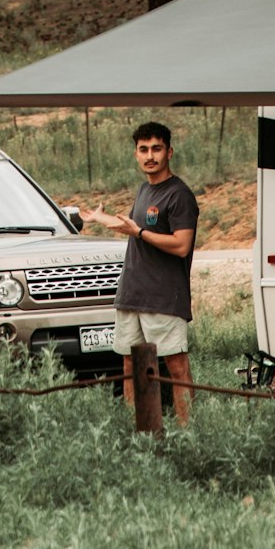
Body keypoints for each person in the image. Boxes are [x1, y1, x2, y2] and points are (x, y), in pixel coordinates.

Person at [80, 121, 199, 425]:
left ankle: (190, 434)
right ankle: (138, 432)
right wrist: (104, 219)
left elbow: (181, 245)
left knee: (175, 367)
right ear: (136, 154)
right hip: (132, 292)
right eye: (143, 149)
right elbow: (135, 229)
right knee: (130, 366)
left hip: (163, 296)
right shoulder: (145, 189)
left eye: (156, 149)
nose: (150, 156)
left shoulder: (179, 195)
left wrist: (141, 232)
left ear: (169, 152)